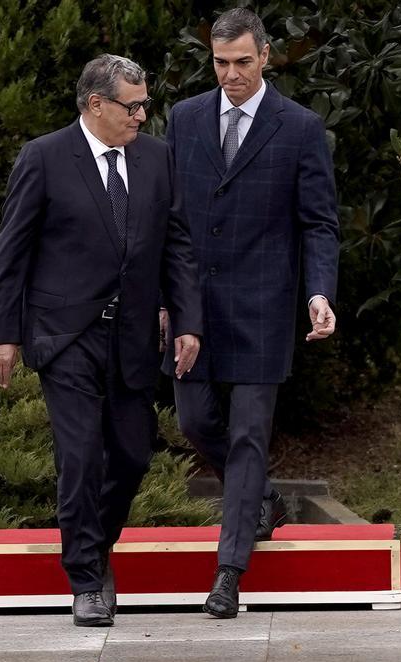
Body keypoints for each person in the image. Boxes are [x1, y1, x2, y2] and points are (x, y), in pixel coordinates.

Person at [0, 54, 203, 628]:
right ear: (95, 104)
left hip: (133, 335)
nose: (141, 115)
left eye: (145, 104)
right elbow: (12, 253)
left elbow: (176, 246)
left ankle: (96, 545)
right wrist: (2, 334)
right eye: (132, 106)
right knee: (79, 457)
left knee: (131, 456)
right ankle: (84, 578)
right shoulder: (45, 157)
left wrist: (187, 320)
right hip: (66, 335)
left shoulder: (157, 158)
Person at [162, 8, 339, 620]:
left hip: (263, 310)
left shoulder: (300, 127)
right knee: (193, 421)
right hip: (193, 309)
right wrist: (165, 297)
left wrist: (319, 293)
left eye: (242, 62)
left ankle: (228, 572)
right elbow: (171, 216)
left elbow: (318, 221)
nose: (231, 74)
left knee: (246, 436)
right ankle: (263, 497)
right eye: (220, 63)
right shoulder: (183, 119)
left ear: (266, 56)